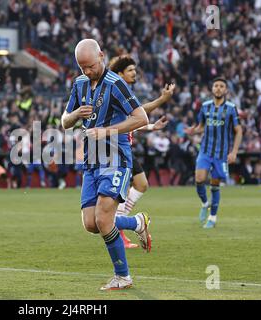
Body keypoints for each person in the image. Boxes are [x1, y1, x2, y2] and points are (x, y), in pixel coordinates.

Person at [61, 39, 150, 290]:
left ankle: (123, 276)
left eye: (90, 66)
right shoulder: (79, 84)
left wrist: (107, 131)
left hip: (116, 159)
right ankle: (137, 222)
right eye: (81, 68)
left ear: (101, 56)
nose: (86, 72)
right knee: (91, 223)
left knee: (102, 218)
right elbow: (64, 121)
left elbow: (141, 117)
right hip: (91, 160)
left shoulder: (116, 84)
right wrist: (75, 115)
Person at [109, 55, 174, 248]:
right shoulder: (117, 90)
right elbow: (139, 111)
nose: (134, 73)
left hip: (124, 148)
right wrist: (162, 99)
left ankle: (124, 223)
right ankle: (123, 227)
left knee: (141, 184)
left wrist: (151, 127)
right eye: (130, 70)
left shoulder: (122, 90)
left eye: (134, 69)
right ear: (120, 74)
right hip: (115, 150)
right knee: (119, 193)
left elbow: (132, 119)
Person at [185, 77, 243, 228]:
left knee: (215, 184)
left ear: (226, 90)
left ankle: (212, 217)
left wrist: (234, 152)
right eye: (216, 85)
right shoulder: (205, 107)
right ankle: (205, 204)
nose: (218, 88)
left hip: (221, 154)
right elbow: (201, 126)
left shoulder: (231, 108)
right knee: (199, 178)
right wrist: (193, 131)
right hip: (205, 150)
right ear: (212, 89)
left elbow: (239, 131)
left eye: (221, 86)